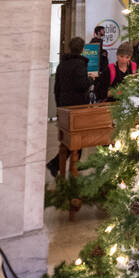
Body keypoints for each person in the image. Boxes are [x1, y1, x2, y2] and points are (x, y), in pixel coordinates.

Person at [47, 36, 90, 176]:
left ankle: (58, 165)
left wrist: (59, 107)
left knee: (67, 140)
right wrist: (91, 80)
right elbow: (81, 85)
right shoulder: (80, 64)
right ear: (82, 49)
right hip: (77, 107)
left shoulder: (62, 65)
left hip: (64, 106)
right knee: (77, 141)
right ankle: (71, 169)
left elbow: (57, 88)